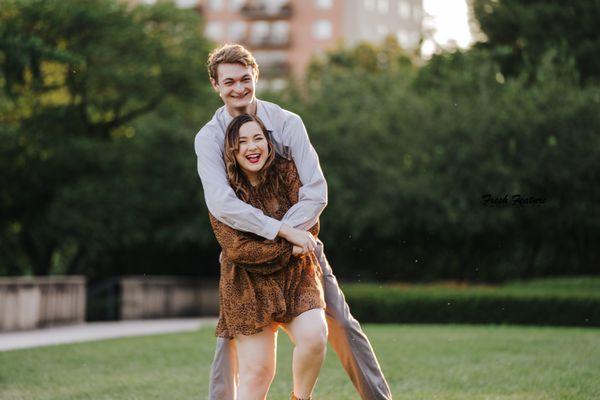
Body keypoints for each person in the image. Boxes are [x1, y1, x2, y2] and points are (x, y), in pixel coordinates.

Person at [194, 43, 392, 400]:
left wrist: (290, 237)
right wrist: (280, 231)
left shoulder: (287, 123)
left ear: (256, 76)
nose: (238, 88)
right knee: (231, 349)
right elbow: (222, 204)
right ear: (215, 85)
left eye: (244, 78)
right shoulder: (208, 138)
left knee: (342, 325)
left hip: (300, 253)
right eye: (229, 82)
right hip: (247, 258)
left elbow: (316, 191)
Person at [210, 113, 328, 400]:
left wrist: (302, 237)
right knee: (258, 373)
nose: (252, 147)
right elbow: (238, 248)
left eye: (258, 138)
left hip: (295, 275)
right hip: (246, 285)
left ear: (268, 142)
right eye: (242, 142)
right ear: (232, 150)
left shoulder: (287, 170)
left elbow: (309, 213)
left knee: (314, 337)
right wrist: (291, 241)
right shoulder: (224, 192)